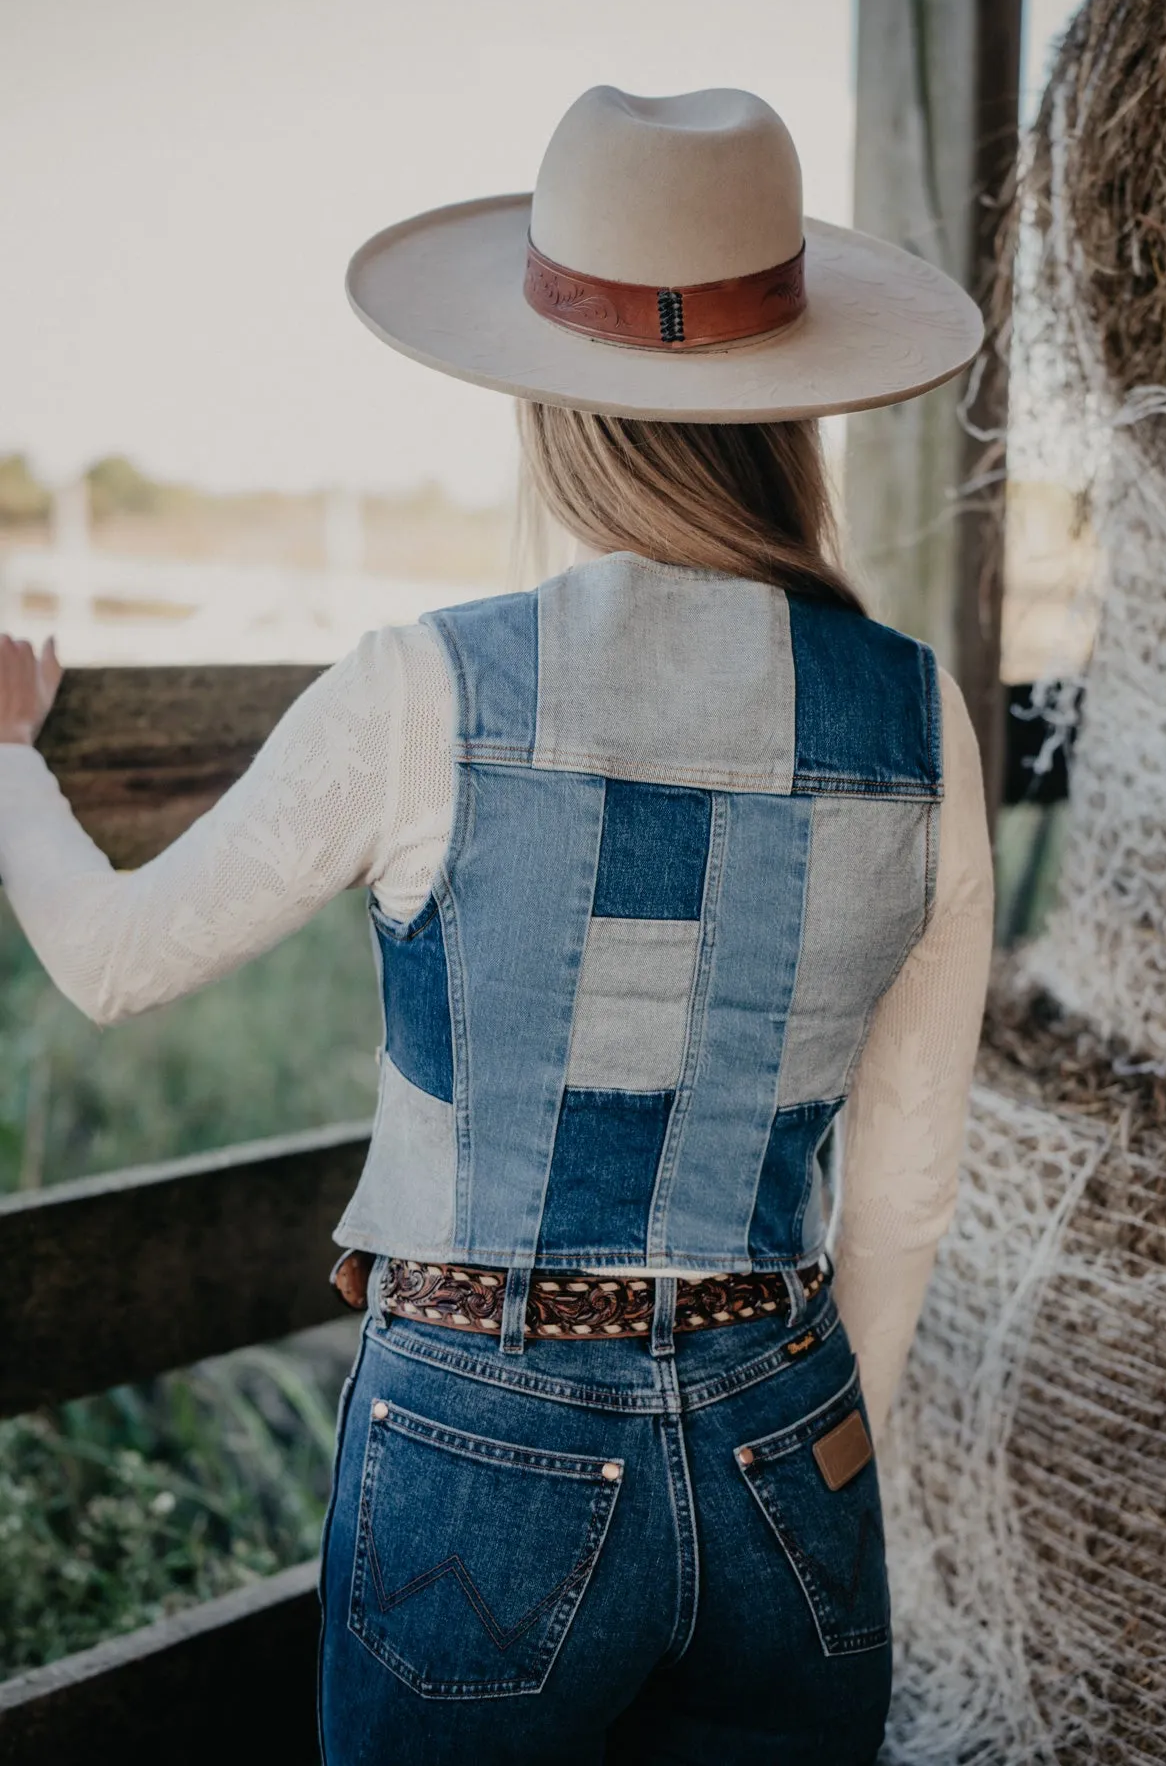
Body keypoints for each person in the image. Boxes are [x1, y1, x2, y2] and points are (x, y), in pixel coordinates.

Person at [0, 86, 993, 1765]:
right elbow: (908, 1175)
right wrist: (826, 1449)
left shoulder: (426, 689)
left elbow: (110, 963)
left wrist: (14, 761)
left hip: (486, 1428)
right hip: (790, 1425)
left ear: (551, 407)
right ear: (794, 408)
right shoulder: (919, 719)